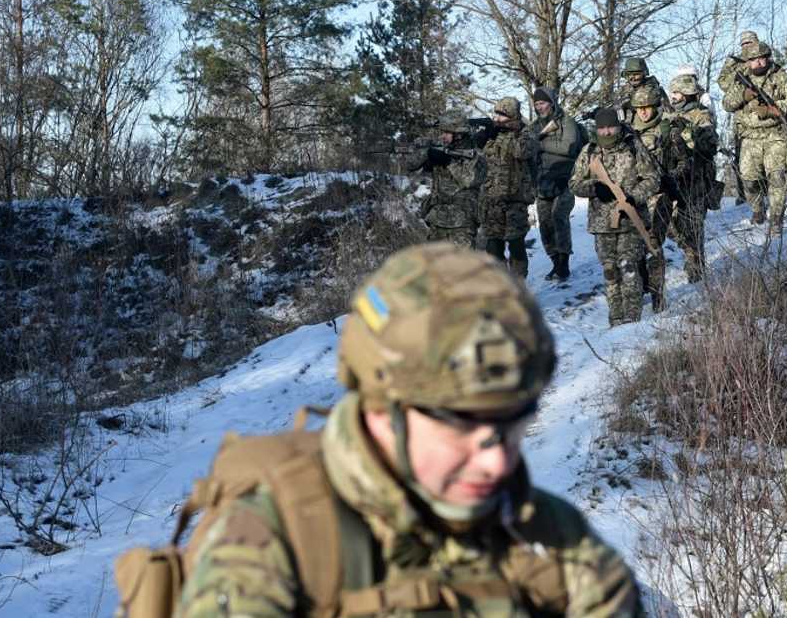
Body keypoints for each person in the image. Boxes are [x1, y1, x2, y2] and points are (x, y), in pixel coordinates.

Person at [176, 243, 644, 617]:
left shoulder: (551, 537)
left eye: (513, 425)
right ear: (382, 409)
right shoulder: (270, 546)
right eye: (463, 428)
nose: (497, 461)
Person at [569, 108, 661, 326]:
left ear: (618, 127)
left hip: (631, 220)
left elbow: (653, 178)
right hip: (602, 223)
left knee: (629, 267)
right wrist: (595, 187)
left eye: (611, 127)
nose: (607, 132)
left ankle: (632, 319)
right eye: (602, 128)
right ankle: (616, 318)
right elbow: (574, 183)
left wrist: (634, 197)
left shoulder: (633, 146)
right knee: (610, 270)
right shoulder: (589, 151)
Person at [722, 41, 787, 233]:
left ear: (767, 58)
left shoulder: (780, 76)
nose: (758, 62)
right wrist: (743, 96)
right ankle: (758, 210)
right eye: (753, 59)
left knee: (776, 177)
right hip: (749, 136)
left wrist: (773, 109)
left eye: (761, 58)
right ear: (748, 61)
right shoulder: (740, 79)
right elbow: (726, 104)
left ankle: (776, 220)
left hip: (775, 134)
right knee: (749, 180)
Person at [630, 86, 690, 312]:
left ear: (655, 106)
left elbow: (684, 162)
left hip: (660, 195)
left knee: (653, 243)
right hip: (635, 196)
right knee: (634, 245)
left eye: (647, 107)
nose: (643, 112)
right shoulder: (628, 133)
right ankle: (642, 286)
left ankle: (657, 295)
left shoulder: (668, 131)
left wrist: (670, 177)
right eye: (639, 108)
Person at [667, 73, 719, 283]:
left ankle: (696, 270)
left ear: (687, 94)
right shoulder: (667, 116)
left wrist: (690, 137)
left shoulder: (701, 115)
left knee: (694, 226)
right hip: (674, 178)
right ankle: (689, 253)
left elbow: (710, 147)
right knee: (671, 225)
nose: (673, 96)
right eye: (672, 92)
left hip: (697, 179)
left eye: (677, 93)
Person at [529, 86, 585, 282]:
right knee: (545, 224)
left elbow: (569, 147)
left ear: (552, 103)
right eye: (536, 104)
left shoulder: (567, 122)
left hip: (565, 180)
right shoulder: (534, 126)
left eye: (543, 103)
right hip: (543, 182)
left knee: (559, 217)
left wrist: (540, 144)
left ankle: (564, 263)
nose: (539, 107)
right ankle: (555, 261)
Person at [410, 111, 486, 248]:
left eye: (447, 132)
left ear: (458, 134)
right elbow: (410, 166)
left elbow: (469, 180)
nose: (442, 136)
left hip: (462, 225)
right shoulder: (442, 150)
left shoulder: (476, 155)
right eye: (442, 132)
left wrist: (448, 162)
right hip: (437, 221)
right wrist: (425, 154)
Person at [481, 97, 537, 278]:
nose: (497, 118)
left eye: (501, 115)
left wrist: (501, 134)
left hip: (516, 200)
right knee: (493, 248)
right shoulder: (492, 134)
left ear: (512, 116)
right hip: (492, 200)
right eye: (495, 114)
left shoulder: (526, 133)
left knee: (516, 245)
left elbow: (522, 151)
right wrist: (483, 137)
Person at [718, 31, 761, 207]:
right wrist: (741, 69)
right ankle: (744, 196)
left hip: (764, 115)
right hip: (742, 118)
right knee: (742, 157)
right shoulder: (734, 62)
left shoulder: (764, 58)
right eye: (744, 44)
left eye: (750, 43)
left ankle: (766, 194)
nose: (747, 46)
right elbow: (723, 84)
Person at [619, 57, 672, 125]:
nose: (632, 78)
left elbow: (668, 113)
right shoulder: (624, 91)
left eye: (636, 74)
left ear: (644, 73)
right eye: (629, 75)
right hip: (629, 127)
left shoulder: (655, 91)